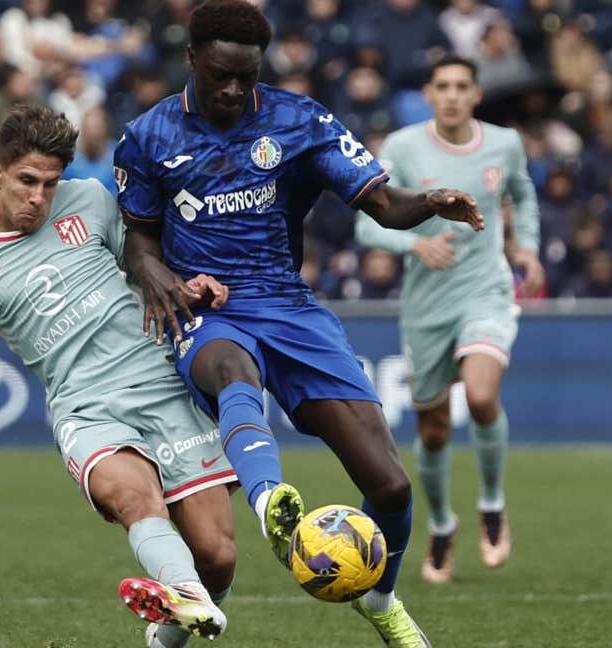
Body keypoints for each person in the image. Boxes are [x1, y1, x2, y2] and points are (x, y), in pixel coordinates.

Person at [115, 3, 482, 646]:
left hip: (288, 304)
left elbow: (383, 205)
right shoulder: (148, 137)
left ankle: (381, 598)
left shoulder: (299, 120)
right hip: (207, 308)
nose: (234, 90)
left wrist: (429, 202)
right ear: (193, 59)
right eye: (222, 75)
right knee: (232, 370)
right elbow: (138, 239)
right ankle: (269, 504)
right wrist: (160, 279)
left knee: (391, 486)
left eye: (247, 76)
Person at [0, 106, 238, 646]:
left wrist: (188, 284)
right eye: (27, 182)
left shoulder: (89, 199)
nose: (39, 197)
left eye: (50, 182)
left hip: (160, 383)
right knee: (135, 500)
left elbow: (145, 263)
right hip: (86, 408)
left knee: (218, 555)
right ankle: (183, 592)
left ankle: (177, 623)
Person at [354, 56, 541, 585]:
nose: (454, 95)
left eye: (463, 86)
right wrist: (415, 242)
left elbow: (522, 196)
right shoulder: (403, 148)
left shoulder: (504, 144)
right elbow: (368, 227)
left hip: (487, 290)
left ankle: (492, 504)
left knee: (481, 397)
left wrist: (526, 246)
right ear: (429, 94)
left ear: (476, 94)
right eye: (444, 86)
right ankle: (440, 525)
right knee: (433, 431)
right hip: (427, 307)